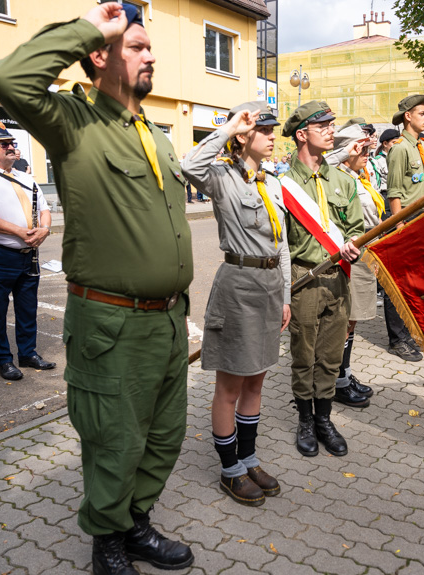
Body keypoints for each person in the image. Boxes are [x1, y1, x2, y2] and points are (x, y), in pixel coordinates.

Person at [0, 4, 195, 573]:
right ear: (100, 56)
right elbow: (7, 79)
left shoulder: (157, 134)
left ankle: (135, 524)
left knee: (163, 436)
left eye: (151, 47)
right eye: (136, 46)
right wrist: (90, 28)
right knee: (115, 442)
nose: (151, 54)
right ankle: (106, 542)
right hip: (112, 324)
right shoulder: (74, 123)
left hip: (168, 320)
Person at [182, 102, 290, 506]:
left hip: (268, 288)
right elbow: (189, 165)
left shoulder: (272, 182)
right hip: (239, 286)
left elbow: (282, 247)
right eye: (263, 129)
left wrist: (285, 294)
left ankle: (249, 457)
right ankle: (229, 469)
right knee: (229, 385)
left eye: (272, 129)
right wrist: (229, 127)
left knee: (257, 380)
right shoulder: (224, 178)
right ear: (245, 136)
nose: (271, 134)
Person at [279, 100, 364, 458]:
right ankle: (305, 419)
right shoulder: (282, 184)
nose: (331, 129)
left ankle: (325, 418)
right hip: (303, 278)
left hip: (338, 279)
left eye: (332, 124)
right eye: (323, 125)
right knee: (304, 354)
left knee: (330, 355)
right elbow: (279, 241)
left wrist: (354, 246)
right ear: (302, 134)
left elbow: (357, 228)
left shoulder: (343, 180)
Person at [0, 121, 55, 381]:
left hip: (29, 254)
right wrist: (20, 232)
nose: (11, 147)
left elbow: (45, 209)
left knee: (28, 307)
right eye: (4, 144)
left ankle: (28, 353)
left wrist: (45, 229)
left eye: (12, 143)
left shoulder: (26, 177)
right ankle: (3, 359)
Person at [326, 124, 385, 407]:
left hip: (365, 254)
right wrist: (339, 154)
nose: (367, 152)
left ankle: (345, 374)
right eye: (361, 148)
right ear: (346, 150)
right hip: (350, 256)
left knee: (353, 320)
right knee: (345, 321)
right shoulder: (333, 174)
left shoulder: (359, 176)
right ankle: (337, 381)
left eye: (368, 147)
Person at [384, 94, 424, 362]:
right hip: (405, 222)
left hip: (421, 221)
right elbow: (394, 192)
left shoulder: (420, 147)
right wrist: (399, 227)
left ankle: (408, 332)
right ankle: (397, 338)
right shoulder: (401, 148)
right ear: (408, 116)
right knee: (398, 283)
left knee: (413, 281)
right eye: (422, 113)